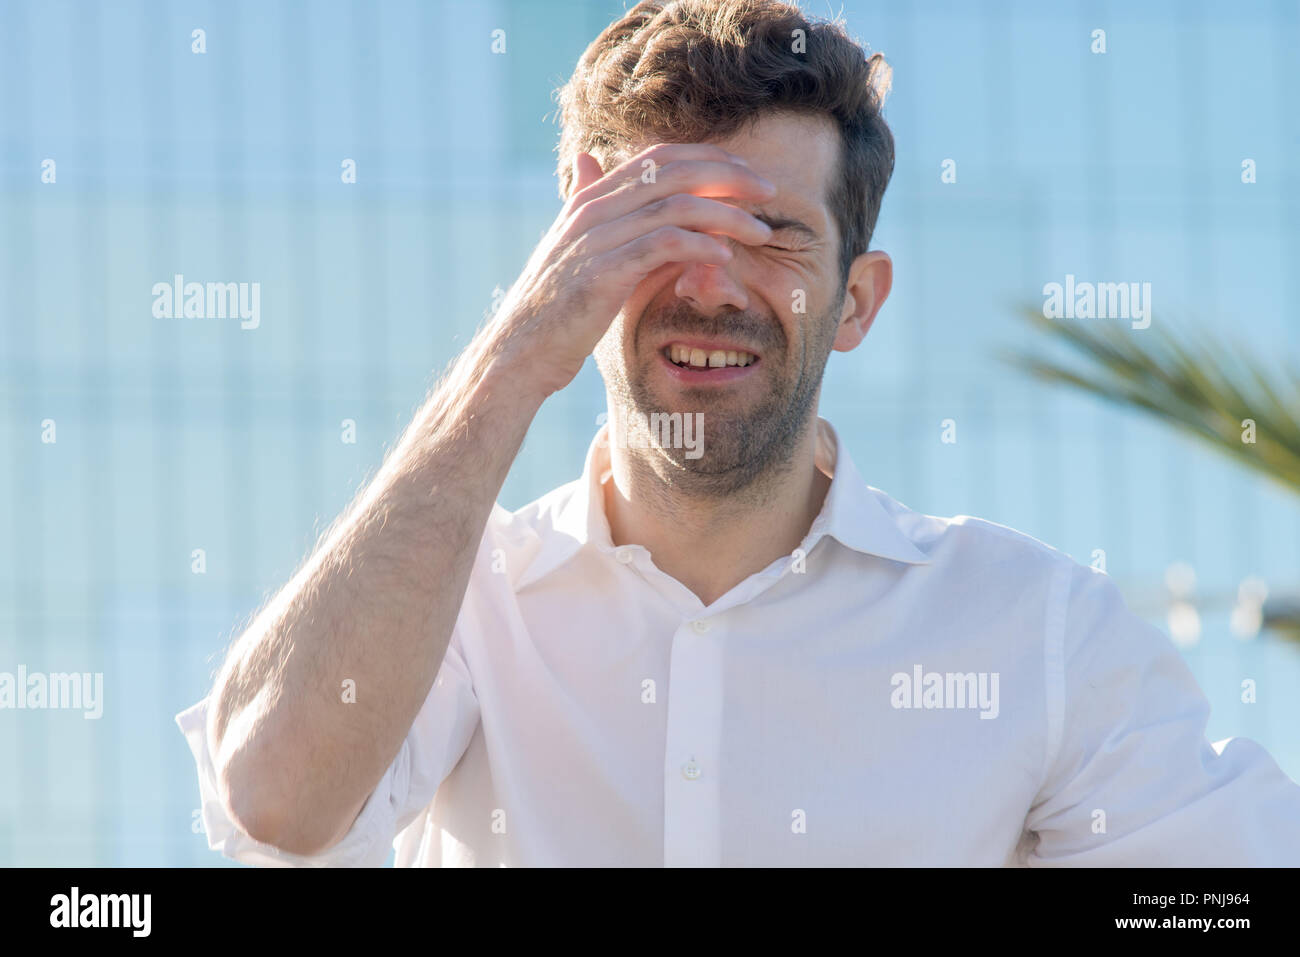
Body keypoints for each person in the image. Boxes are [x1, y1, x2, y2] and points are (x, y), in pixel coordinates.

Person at [176, 0, 1300, 866]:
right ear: (574, 255)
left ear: (856, 302)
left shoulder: (1030, 627)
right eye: (659, 221)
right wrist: (517, 351)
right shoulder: (454, 612)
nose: (709, 283)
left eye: (771, 231)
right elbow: (273, 803)